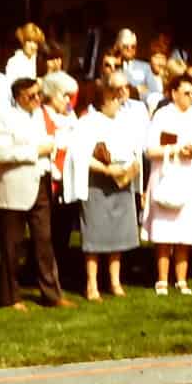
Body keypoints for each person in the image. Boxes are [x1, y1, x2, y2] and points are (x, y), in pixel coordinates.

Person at [0, 78, 75, 311]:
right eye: (32, 96)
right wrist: (35, 151)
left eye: (39, 94)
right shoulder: (5, 116)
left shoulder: (40, 115)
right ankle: (10, 297)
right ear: (19, 96)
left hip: (41, 181)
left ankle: (51, 294)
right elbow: (3, 152)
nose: (38, 99)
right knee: (12, 244)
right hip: (14, 186)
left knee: (44, 241)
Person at [65, 80, 142, 300]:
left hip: (122, 182)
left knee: (118, 234)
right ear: (104, 101)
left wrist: (129, 168)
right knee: (96, 235)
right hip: (97, 184)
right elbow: (80, 155)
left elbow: (135, 149)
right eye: (115, 99)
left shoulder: (125, 121)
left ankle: (115, 281)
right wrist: (108, 170)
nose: (119, 103)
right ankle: (92, 285)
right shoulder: (87, 123)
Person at [143, 73, 192, 295]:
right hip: (166, 177)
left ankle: (182, 279)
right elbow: (150, 149)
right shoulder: (162, 115)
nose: (190, 97)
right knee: (165, 233)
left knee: (186, 232)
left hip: (190, 178)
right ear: (174, 93)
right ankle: (162, 279)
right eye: (186, 93)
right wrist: (175, 150)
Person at [40, 70, 80, 281]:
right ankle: (44, 272)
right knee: (48, 232)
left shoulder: (69, 115)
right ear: (52, 94)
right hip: (51, 180)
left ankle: (60, 270)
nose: (68, 100)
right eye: (64, 95)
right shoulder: (43, 115)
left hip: (69, 180)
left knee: (63, 229)